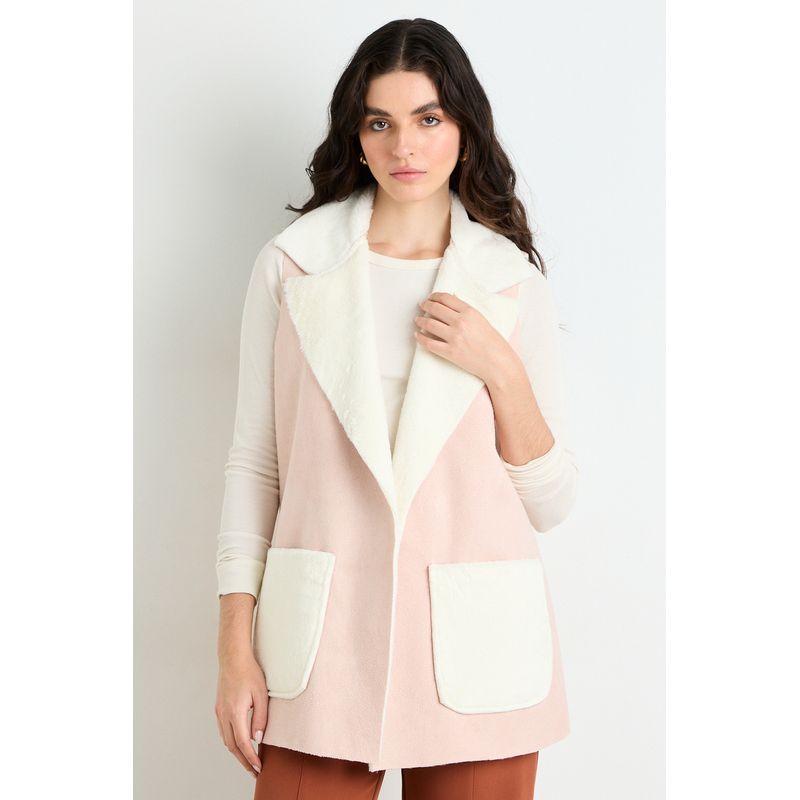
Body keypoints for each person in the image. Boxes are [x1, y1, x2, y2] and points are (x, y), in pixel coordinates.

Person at [214, 18, 578, 800]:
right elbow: (256, 462)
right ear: (356, 136)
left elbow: (552, 502)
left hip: (478, 650)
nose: (404, 146)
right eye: (380, 122)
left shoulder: (510, 283)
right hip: (323, 646)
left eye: (428, 119)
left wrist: (499, 367)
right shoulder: (293, 265)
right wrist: (234, 651)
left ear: (465, 133)